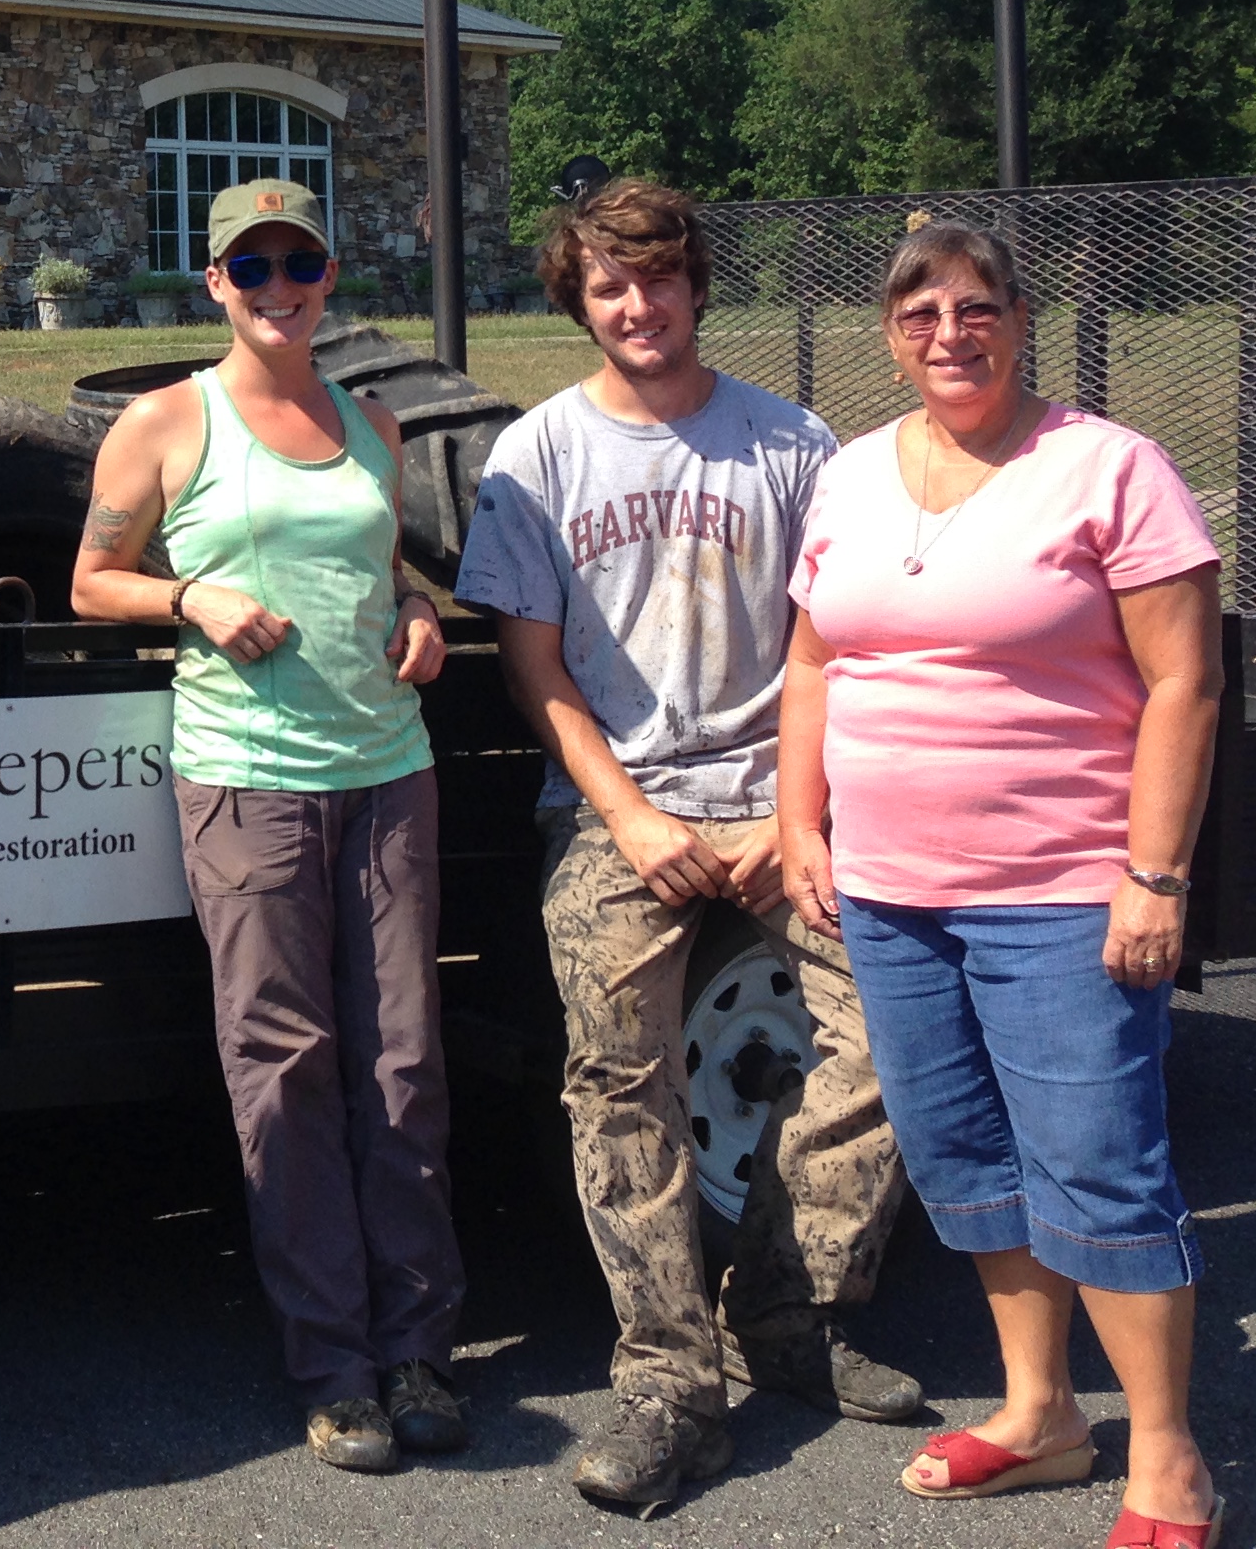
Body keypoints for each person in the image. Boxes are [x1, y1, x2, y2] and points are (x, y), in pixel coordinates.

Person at [454, 176, 919, 1516]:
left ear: (697, 286)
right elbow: (533, 669)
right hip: (616, 812)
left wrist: (794, 816)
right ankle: (669, 1385)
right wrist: (633, 818)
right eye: (609, 286)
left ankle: (784, 1311)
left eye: (658, 280)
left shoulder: (791, 444)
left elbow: (828, 647)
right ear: (578, 300)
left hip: (779, 803)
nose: (638, 306)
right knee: (620, 1082)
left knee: (891, 1037)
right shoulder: (535, 458)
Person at [780, 221, 1224, 1549]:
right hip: (891, 892)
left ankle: (1167, 1459)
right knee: (965, 1160)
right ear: (890, 334)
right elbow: (814, 665)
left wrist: (1155, 877)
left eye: (976, 309)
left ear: (1022, 318)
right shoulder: (850, 477)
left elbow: (1185, 685)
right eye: (921, 315)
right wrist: (800, 820)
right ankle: (1040, 1413)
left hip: (1065, 891)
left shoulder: (1109, 470)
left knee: (1099, 1169)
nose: (950, 335)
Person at [70, 176, 465, 1476]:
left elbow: (380, 565)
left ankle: (417, 1347)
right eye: (254, 270)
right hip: (246, 779)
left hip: (386, 771)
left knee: (403, 1066)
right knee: (285, 1075)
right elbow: (91, 579)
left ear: (329, 277)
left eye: (300, 265)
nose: (279, 288)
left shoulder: (374, 427)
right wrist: (192, 599)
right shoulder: (167, 422)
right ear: (216, 286)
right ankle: (335, 1366)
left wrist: (413, 613)